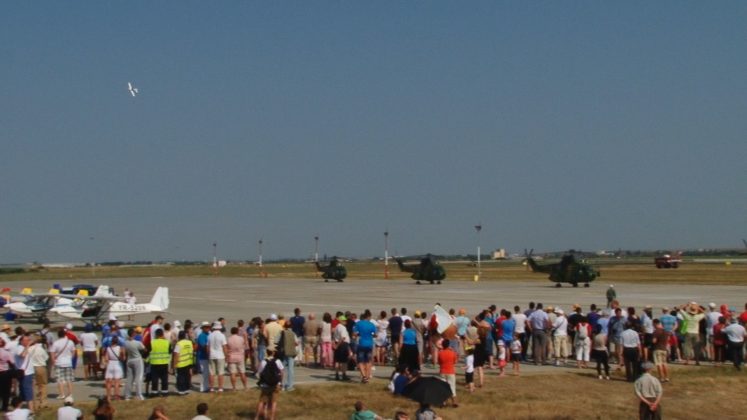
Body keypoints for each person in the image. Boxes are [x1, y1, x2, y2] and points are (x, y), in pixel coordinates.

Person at [255, 349, 283, 420]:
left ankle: (257, 417)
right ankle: (272, 418)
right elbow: (281, 372)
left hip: (265, 384)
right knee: (273, 402)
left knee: (262, 401)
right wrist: (280, 382)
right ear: (273, 353)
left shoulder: (263, 361)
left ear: (267, 352)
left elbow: (260, 372)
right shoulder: (278, 361)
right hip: (275, 384)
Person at [50, 329, 76, 400]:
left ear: (58, 335)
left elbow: (52, 354)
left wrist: (53, 362)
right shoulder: (70, 342)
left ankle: (62, 394)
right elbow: (73, 351)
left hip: (59, 363)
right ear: (65, 334)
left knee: (60, 380)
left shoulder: (56, 343)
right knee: (69, 379)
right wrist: (70, 358)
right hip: (68, 363)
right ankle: (70, 394)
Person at [353, 311, 376, 383]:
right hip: (369, 344)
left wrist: (358, 335)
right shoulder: (371, 324)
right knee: (368, 361)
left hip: (361, 344)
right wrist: (371, 335)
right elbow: (375, 334)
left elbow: (354, 333)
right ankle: (367, 376)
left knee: (360, 361)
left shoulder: (358, 323)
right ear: (368, 317)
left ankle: (364, 376)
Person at [123, 327, 146, 400]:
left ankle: (127, 395)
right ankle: (139, 394)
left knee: (129, 378)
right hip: (137, 359)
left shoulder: (125, 342)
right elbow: (144, 349)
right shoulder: (137, 343)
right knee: (138, 377)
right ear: (133, 334)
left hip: (129, 360)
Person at [28, 334, 49, 410]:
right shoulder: (41, 349)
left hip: (32, 367)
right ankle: (43, 402)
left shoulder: (29, 349)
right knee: (43, 385)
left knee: (34, 386)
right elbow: (46, 358)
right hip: (41, 367)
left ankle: (35, 403)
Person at [149, 328, 171, 397]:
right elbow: (170, 352)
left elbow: (148, 352)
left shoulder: (152, 342)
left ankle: (154, 392)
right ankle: (165, 392)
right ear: (162, 334)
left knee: (154, 379)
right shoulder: (167, 342)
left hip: (154, 363)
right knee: (164, 379)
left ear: (156, 335)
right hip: (164, 363)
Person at [208, 321, 228, 392]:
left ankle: (211, 388)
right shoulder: (222, 335)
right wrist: (226, 356)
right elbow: (224, 347)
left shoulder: (210, 335)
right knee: (220, 372)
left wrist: (209, 354)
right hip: (220, 355)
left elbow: (208, 347)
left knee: (211, 373)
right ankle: (220, 388)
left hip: (212, 355)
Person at [438, 339, 458, 407]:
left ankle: (443, 402)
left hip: (442, 371)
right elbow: (455, 361)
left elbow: (439, 362)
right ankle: (454, 402)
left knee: (443, 387)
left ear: (442, 345)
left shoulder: (440, 353)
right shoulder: (452, 353)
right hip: (450, 371)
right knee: (452, 387)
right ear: (448, 345)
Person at [278, 320, 297, 391]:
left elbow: (277, 341)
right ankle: (289, 385)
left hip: (283, 352)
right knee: (290, 369)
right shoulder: (293, 333)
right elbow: (296, 343)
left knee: (282, 369)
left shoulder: (282, 333)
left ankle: (281, 384)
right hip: (291, 352)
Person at [173, 330, 194, 395]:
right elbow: (191, 351)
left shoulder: (179, 344)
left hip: (181, 363)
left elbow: (176, 354)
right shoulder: (189, 342)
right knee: (187, 376)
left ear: (179, 336)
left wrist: (174, 364)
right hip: (188, 362)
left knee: (181, 377)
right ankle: (187, 389)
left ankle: (181, 390)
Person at [104, 335, 125, 400]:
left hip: (110, 364)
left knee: (108, 381)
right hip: (117, 364)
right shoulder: (120, 348)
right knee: (117, 382)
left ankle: (108, 396)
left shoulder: (108, 348)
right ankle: (116, 396)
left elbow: (106, 358)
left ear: (112, 341)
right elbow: (123, 358)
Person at [333, 315, 351, 381]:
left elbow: (335, 336)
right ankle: (344, 375)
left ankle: (337, 375)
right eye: (344, 320)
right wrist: (337, 345)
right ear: (341, 321)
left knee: (337, 361)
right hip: (343, 345)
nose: (345, 321)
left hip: (337, 343)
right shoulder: (343, 328)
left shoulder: (337, 327)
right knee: (344, 361)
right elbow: (343, 338)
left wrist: (336, 345)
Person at [196, 321, 211, 392]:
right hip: (202, 357)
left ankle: (206, 387)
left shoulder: (209, 334)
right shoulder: (201, 336)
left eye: (209, 327)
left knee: (207, 373)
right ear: (203, 328)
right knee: (204, 373)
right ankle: (203, 388)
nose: (208, 328)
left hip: (207, 357)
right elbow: (203, 346)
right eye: (206, 327)